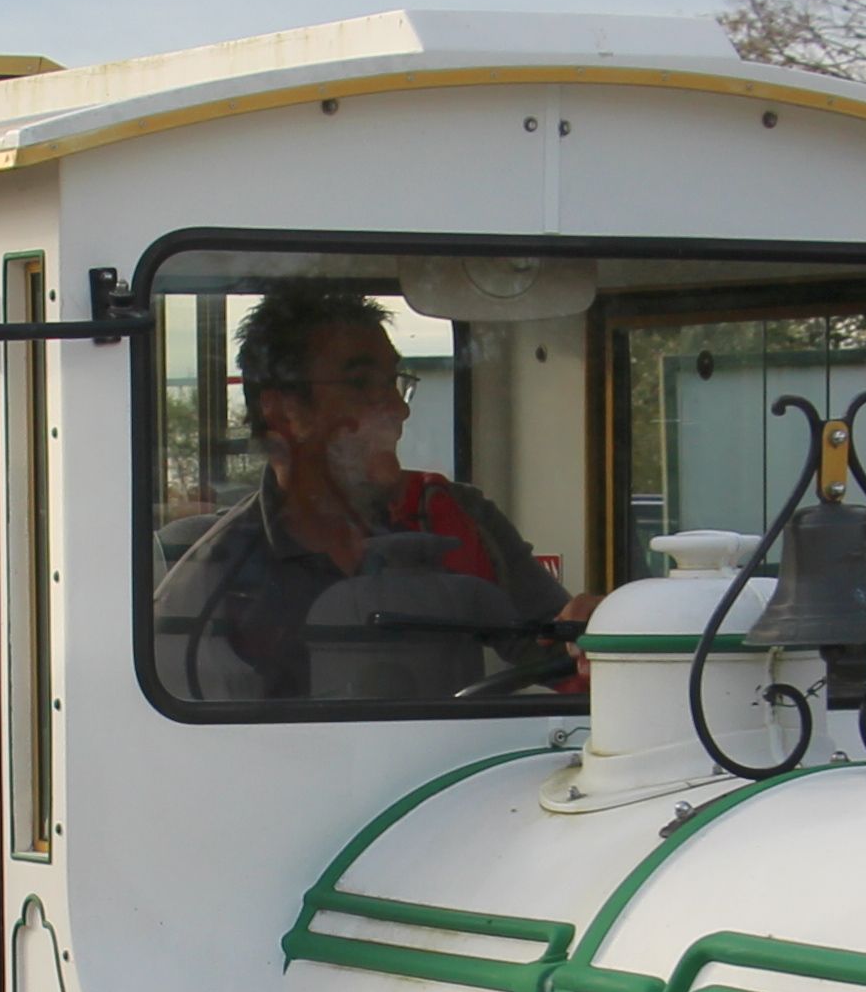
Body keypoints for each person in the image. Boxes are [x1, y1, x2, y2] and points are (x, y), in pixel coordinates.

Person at [151, 281, 571, 701]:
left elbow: (563, 653)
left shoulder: (455, 518)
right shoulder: (210, 589)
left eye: (394, 382)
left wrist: (596, 633)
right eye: (362, 384)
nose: (399, 408)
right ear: (285, 412)